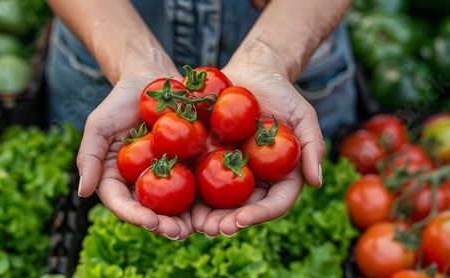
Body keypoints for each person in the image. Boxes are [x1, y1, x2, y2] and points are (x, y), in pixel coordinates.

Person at [45, 0, 357, 241]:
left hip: (298, 30)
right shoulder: (182, 121)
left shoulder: (181, 119)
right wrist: (132, 61)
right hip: (103, 36)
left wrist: (272, 56)